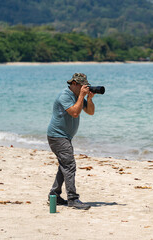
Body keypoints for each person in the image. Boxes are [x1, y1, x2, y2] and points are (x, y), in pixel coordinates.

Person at [47, 73, 95, 210]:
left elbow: (90, 112)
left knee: (64, 166)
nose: (83, 88)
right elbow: (74, 112)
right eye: (81, 85)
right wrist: (81, 96)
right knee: (69, 166)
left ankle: (54, 195)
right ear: (73, 83)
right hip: (57, 136)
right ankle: (73, 199)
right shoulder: (65, 96)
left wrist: (89, 99)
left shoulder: (77, 96)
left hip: (65, 136)